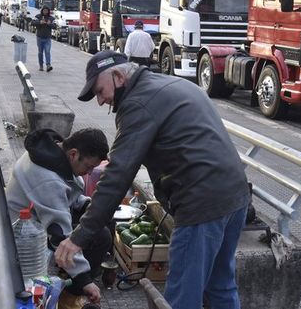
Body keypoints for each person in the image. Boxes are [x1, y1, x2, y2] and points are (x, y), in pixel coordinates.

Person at [55, 51, 251, 309]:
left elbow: (117, 175)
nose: (101, 101)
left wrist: (79, 237)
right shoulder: (170, 83)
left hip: (201, 204)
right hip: (235, 195)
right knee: (221, 285)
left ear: (118, 76)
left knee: (182, 296)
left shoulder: (138, 103)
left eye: (100, 91)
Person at [6, 128, 111, 306]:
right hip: (26, 236)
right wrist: (85, 280)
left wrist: (87, 205)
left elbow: (67, 192)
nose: (88, 173)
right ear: (73, 154)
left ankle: (70, 282)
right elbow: (59, 235)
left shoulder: (51, 153)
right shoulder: (47, 179)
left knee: (100, 221)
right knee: (99, 236)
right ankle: (69, 297)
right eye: (88, 167)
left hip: (39, 219)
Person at [32, 7, 55, 72]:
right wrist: (40, 22)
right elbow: (32, 23)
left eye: (46, 10)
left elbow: (55, 26)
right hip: (39, 37)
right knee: (40, 52)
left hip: (47, 38)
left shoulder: (51, 18)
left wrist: (50, 24)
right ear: (42, 11)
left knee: (47, 51)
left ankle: (48, 65)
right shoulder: (38, 16)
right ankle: (41, 65)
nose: (45, 12)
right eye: (44, 10)